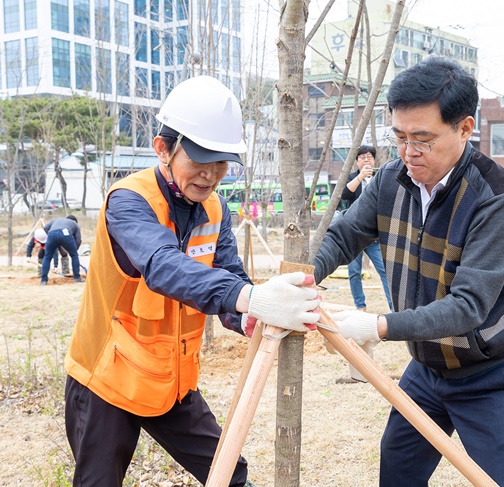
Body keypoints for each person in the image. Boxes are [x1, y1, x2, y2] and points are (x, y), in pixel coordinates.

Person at [63, 75, 321, 487]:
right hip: (107, 380)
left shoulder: (215, 209)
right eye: (200, 160)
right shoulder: (128, 201)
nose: (211, 174)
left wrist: (249, 316)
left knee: (229, 472)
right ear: (163, 149)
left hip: (170, 379)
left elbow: (230, 276)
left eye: (221, 163)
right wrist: (248, 297)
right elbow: (163, 266)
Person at [314, 57, 504, 487]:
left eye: (422, 139)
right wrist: (304, 276)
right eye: (399, 137)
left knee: (503, 482)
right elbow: (342, 236)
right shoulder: (390, 181)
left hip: (491, 371)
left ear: (465, 128)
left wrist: (377, 326)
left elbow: (467, 306)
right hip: (428, 367)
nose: (408, 152)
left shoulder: (496, 198)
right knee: (398, 467)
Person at [341, 145, 393, 313]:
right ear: (357, 161)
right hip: (353, 234)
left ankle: (394, 307)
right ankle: (360, 306)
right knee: (354, 272)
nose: (366, 160)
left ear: (374, 160)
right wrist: (360, 177)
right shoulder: (352, 178)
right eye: (362, 157)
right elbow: (344, 195)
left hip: (374, 236)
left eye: (369, 157)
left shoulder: (380, 177)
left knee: (385, 271)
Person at [40, 215, 83, 285]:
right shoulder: (75, 224)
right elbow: (78, 240)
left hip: (51, 233)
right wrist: (74, 249)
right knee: (74, 255)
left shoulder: (56, 219)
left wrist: (52, 236)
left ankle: (43, 280)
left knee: (47, 257)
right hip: (66, 234)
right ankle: (77, 278)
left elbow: (45, 228)